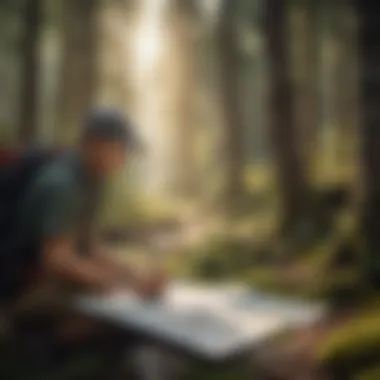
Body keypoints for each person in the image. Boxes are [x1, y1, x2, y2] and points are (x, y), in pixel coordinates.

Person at [1, 108, 166, 342]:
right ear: (96, 144)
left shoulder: (90, 180)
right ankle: (32, 339)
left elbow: (91, 248)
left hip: (40, 276)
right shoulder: (61, 185)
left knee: (106, 297)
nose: (124, 158)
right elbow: (56, 259)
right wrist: (118, 284)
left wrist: (134, 276)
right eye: (121, 149)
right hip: (19, 284)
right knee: (109, 315)